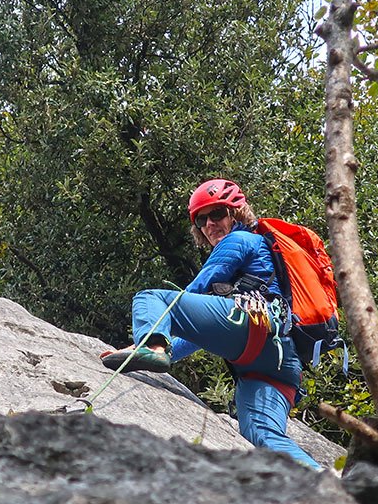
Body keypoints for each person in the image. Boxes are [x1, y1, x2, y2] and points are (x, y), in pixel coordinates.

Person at [101, 178, 322, 471]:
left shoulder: (240, 240)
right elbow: (196, 335)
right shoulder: (257, 250)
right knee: (263, 435)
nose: (210, 224)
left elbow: (193, 292)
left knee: (151, 298)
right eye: (201, 220)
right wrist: (162, 354)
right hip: (279, 361)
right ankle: (322, 479)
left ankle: (152, 345)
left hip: (255, 323)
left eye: (217, 214)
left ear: (236, 213)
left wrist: (147, 343)